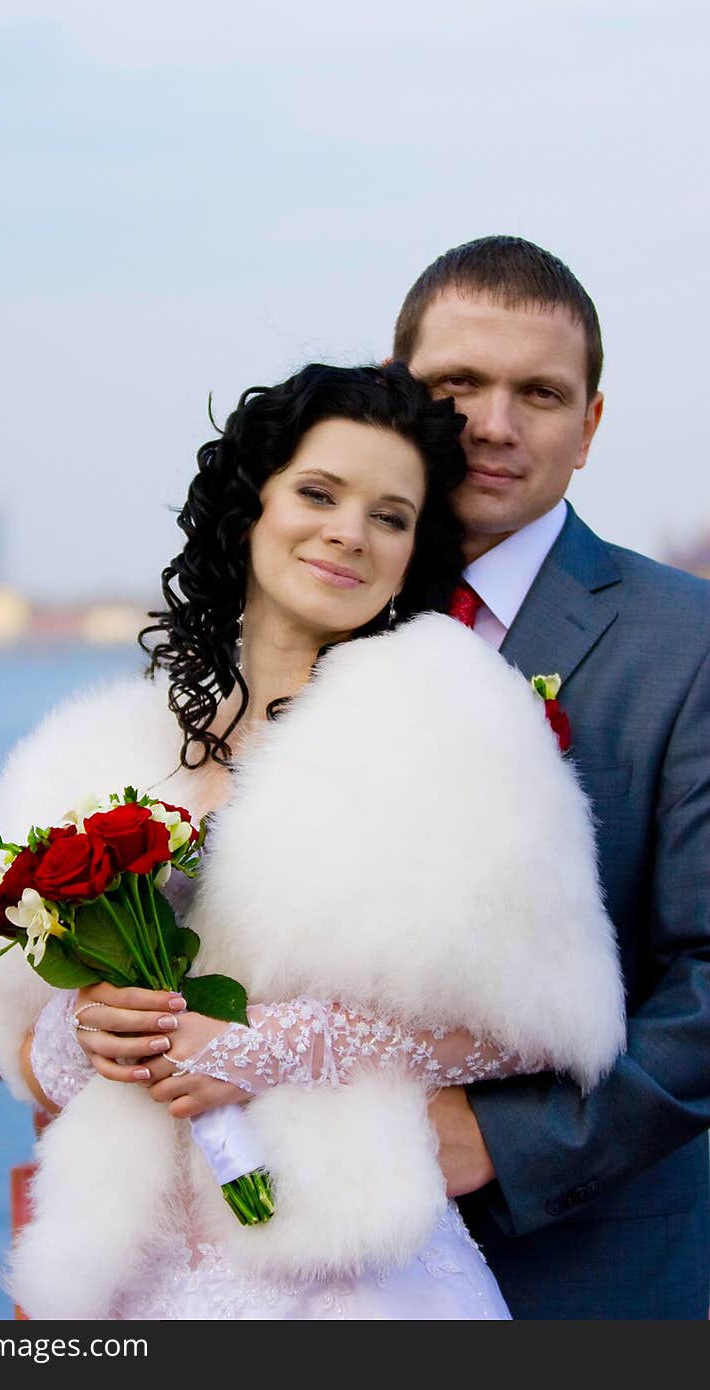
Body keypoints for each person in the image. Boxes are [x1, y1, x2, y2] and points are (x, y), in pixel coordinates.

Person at [0, 362, 625, 1321]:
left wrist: (274, 1044)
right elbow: (23, 1043)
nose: (349, 532)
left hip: (354, 1274)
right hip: (138, 1279)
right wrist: (94, 1029)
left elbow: (542, 1024)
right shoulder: (102, 749)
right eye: (319, 493)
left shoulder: (455, 725)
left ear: (412, 553)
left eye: (390, 517)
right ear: (250, 511)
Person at [392, 234, 710, 1320]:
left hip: (591, 1273)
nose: (493, 422)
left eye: (538, 391)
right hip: (322, 1263)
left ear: (590, 425)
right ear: (400, 397)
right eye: (456, 385)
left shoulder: (688, 642)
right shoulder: (329, 618)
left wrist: (499, 1139)